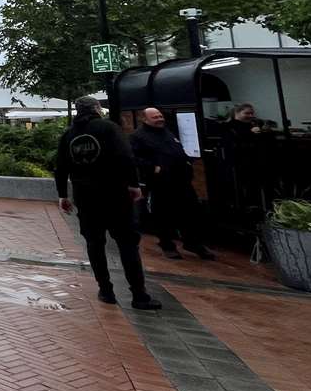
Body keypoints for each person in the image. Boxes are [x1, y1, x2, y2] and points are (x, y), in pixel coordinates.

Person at [56, 96, 161, 310]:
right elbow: (125, 156)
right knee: (127, 244)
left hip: (85, 197)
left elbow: (60, 166)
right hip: (115, 194)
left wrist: (62, 195)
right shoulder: (108, 128)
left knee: (95, 245)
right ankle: (139, 295)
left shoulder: (69, 134)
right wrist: (133, 184)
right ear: (96, 109)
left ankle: (106, 290)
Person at [130, 107, 215, 260]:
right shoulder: (138, 136)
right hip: (160, 182)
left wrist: (188, 163)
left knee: (191, 212)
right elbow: (134, 158)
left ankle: (193, 243)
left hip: (181, 179)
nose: (159, 119)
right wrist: (153, 168)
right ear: (145, 119)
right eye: (155, 117)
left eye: (160, 116)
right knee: (163, 214)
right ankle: (167, 245)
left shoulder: (167, 131)